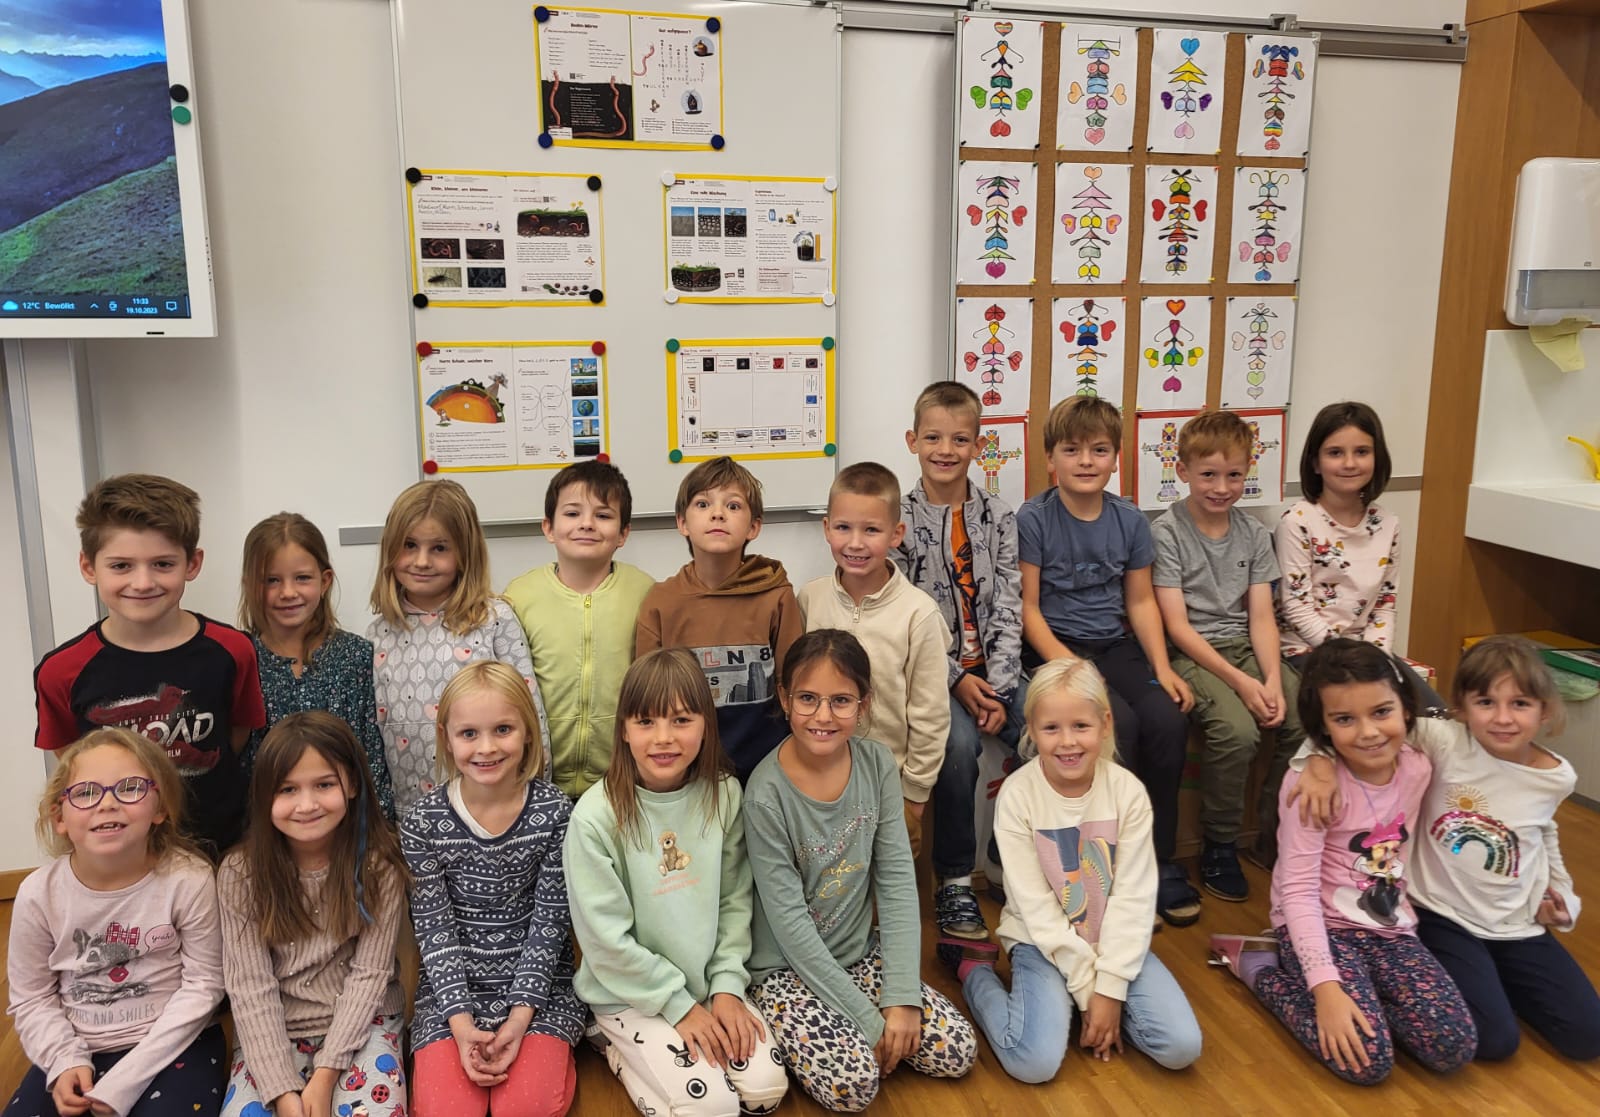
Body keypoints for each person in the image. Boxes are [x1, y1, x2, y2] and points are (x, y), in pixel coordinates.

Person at [1288, 635, 1600, 1061]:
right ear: (1462, 708)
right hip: (1443, 915)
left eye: (1520, 704)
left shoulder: (1558, 776)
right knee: (1493, 1042)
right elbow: (1358, 723)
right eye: (1486, 702)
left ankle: (1495, 984)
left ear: (1544, 710)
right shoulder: (1443, 740)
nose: (1503, 718)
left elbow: (1545, 833)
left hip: (1517, 923)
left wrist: (1564, 896)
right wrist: (1317, 760)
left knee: (1589, 1037)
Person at [1208, 639, 1477, 1085]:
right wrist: (1325, 989)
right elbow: (1296, 891)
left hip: (1391, 928)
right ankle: (1259, 968)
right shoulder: (1309, 787)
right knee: (1367, 1061)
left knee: (1452, 1046)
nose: (1368, 732)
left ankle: (1364, 1000)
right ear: (1324, 727)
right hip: (1321, 926)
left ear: (1406, 709)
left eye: (1381, 712)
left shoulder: (1419, 765)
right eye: (1345, 719)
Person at [745, 629, 976, 1112]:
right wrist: (871, 1024)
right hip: (788, 969)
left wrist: (901, 999)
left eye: (841, 700)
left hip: (859, 955)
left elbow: (896, 883)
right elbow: (789, 926)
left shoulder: (876, 765)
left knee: (957, 1050)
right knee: (853, 1085)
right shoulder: (764, 794)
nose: (823, 716)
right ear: (785, 698)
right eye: (807, 698)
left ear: (863, 703)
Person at [950, 658, 1202, 1081]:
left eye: (1081, 726)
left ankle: (1087, 1008)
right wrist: (1091, 994)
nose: (1067, 742)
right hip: (1040, 941)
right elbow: (1037, 909)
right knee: (1034, 1063)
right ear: (1031, 730)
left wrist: (1111, 987)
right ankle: (974, 973)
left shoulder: (1128, 792)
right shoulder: (1018, 795)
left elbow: (1134, 899)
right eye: (1051, 728)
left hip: (1111, 938)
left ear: (1105, 724)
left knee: (1181, 1047)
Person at [566, 648, 789, 1117]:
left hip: (706, 984)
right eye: (646, 722)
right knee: (712, 1108)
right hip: (630, 994)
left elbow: (735, 901)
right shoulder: (594, 817)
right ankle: (610, 1044)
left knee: (765, 1090)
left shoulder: (724, 794)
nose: (663, 738)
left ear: (706, 724)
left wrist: (726, 987)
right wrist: (678, 1006)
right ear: (624, 729)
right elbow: (606, 941)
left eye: (682, 720)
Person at [1019, 396, 1197, 925]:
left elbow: (1140, 602)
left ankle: (1157, 861)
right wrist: (1074, 670)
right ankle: (1107, 871)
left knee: (1166, 719)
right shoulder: (1034, 518)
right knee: (1115, 724)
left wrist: (1162, 668)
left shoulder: (1130, 520)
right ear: (1050, 459)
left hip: (1114, 645)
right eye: (1072, 450)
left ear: (1116, 458)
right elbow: (1028, 609)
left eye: (1099, 450)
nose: (1086, 461)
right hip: (1055, 648)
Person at [34, 474, 266, 856]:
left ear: (192, 563)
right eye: (121, 566)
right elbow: (72, 757)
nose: (142, 582)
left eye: (162, 564)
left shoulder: (233, 650)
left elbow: (237, 733)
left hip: (222, 844)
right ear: (89, 567)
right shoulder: (61, 671)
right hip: (122, 854)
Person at [7, 728, 226, 1117]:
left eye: (130, 788)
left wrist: (128, 1078)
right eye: (86, 793)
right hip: (75, 1049)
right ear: (59, 817)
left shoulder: (189, 880)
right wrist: (64, 1060)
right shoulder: (38, 894)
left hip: (173, 1045)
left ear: (160, 809)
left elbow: (205, 984)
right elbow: (31, 997)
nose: (107, 804)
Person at [401, 661, 583, 1117]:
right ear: (447, 738)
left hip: (540, 990)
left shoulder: (555, 812)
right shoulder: (423, 822)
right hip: (451, 994)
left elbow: (550, 926)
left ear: (528, 733)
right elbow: (434, 931)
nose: (486, 748)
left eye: (503, 729)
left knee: (525, 1108)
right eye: (469, 733)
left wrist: (520, 1018)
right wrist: (461, 1026)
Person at [218, 712, 410, 1117]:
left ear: (351, 784)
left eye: (324, 785)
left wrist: (324, 1077)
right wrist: (283, 1092)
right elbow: (250, 988)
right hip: (274, 1034)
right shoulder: (240, 873)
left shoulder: (378, 866)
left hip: (366, 1022)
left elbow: (369, 976)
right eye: (288, 789)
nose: (306, 805)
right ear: (264, 796)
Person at [1151, 409, 1305, 898]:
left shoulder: (1255, 534)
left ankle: (1272, 832)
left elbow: (1261, 617)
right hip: (1193, 653)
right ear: (1183, 471)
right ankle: (1219, 843)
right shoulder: (1166, 533)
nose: (1222, 487)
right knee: (1237, 731)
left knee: (1302, 716)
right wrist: (1243, 683)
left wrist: (1272, 680)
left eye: (1234, 475)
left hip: (1245, 645)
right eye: (1209, 475)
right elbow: (1177, 627)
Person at [895, 382, 1026, 942]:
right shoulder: (898, 519)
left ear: (978, 444)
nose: (945, 450)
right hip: (934, 674)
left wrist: (999, 686)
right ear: (913, 441)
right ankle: (953, 881)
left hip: (997, 670)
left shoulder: (999, 515)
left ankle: (1014, 855)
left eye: (959, 439)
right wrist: (957, 682)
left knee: (1059, 728)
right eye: (933, 438)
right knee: (956, 749)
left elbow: (1010, 604)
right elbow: (906, 613)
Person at [796, 463, 950, 863]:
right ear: (826, 528)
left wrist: (915, 795)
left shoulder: (919, 614)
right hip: (819, 782)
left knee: (890, 882)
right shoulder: (810, 599)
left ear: (896, 534)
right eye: (843, 528)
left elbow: (930, 712)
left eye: (871, 530)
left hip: (889, 787)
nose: (856, 543)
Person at [369, 479, 551, 814]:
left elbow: (531, 715)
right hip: (410, 815)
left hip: (497, 810)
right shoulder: (378, 634)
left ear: (465, 554)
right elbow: (373, 737)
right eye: (409, 545)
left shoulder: (494, 621)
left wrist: (535, 800)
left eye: (439, 548)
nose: (422, 561)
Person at [635, 457, 802, 780]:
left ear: (754, 526)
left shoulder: (777, 595)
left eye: (733, 505)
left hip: (767, 769)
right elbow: (648, 698)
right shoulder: (660, 602)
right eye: (703, 504)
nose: (718, 513)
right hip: (688, 772)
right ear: (682, 523)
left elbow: (793, 686)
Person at [1274, 401, 1445, 713]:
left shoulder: (1388, 523)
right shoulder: (1297, 521)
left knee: (1433, 716)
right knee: (1360, 712)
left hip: (1366, 655)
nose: (1349, 463)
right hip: (1307, 651)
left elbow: (1385, 605)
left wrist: (1377, 659)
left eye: (1362, 452)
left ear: (1377, 458)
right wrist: (1351, 660)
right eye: (1335, 453)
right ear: (1315, 463)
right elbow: (1296, 608)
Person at [504, 461, 654, 798]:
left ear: (623, 533)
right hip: (536, 780)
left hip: (621, 779)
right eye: (572, 513)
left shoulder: (645, 593)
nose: (587, 524)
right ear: (548, 527)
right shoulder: (519, 595)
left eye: (603, 515)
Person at [238, 512, 394, 818]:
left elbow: (371, 755)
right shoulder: (242, 658)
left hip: (346, 827)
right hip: (266, 828)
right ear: (250, 585)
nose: (288, 592)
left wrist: (379, 827)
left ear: (324, 581)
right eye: (271, 580)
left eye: (302, 578)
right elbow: (239, 764)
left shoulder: (355, 655)